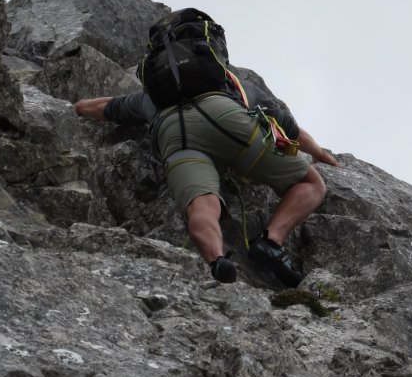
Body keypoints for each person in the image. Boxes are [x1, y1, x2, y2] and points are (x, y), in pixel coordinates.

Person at [75, 68, 339, 288]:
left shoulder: (148, 96)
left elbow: (97, 107)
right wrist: (319, 153)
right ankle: (271, 241)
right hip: (226, 117)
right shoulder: (231, 81)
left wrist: (75, 108)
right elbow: (287, 127)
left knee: (201, 206)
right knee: (311, 183)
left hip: (174, 132)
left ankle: (218, 261)